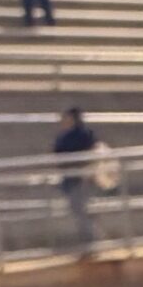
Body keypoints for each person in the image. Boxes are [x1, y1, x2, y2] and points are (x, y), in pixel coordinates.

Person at [51, 106, 101, 250]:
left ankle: (90, 242)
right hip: (74, 178)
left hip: (79, 179)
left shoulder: (77, 136)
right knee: (81, 210)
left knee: (81, 210)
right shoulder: (81, 135)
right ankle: (90, 241)